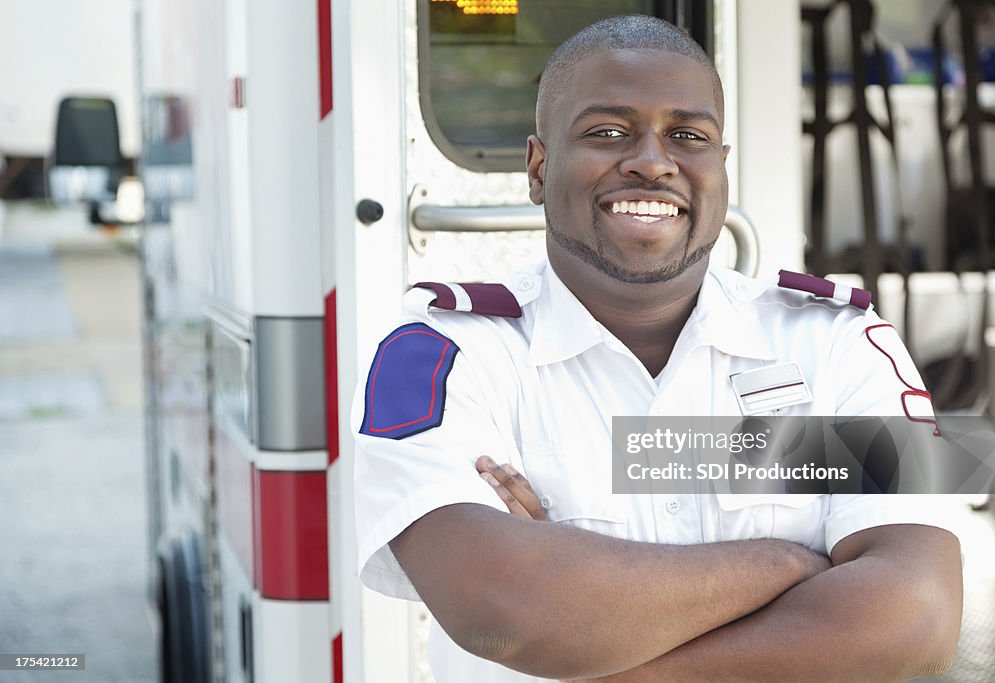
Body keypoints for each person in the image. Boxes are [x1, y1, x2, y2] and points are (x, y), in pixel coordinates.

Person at [352, 14, 962, 683]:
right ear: (537, 166)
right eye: (608, 132)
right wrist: (787, 561)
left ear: (720, 168)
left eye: (687, 135)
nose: (651, 160)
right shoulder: (443, 355)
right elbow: (502, 608)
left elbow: (919, 614)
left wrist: (587, 637)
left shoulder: (840, 345)